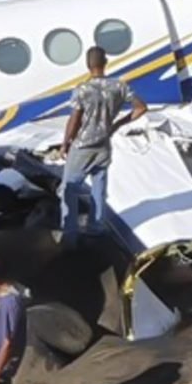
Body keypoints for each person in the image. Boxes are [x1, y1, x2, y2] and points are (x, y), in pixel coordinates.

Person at [59, 46, 147, 247]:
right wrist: (117, 124)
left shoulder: (82, 89)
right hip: (104, 144)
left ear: (88, 65)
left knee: (68, 188)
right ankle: (96, 227)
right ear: (105, 63)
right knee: (98, 186)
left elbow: (75, 119)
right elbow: (141, 107)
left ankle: (70, 233)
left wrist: (65, 143)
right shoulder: (119, 86)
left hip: (83, 145)